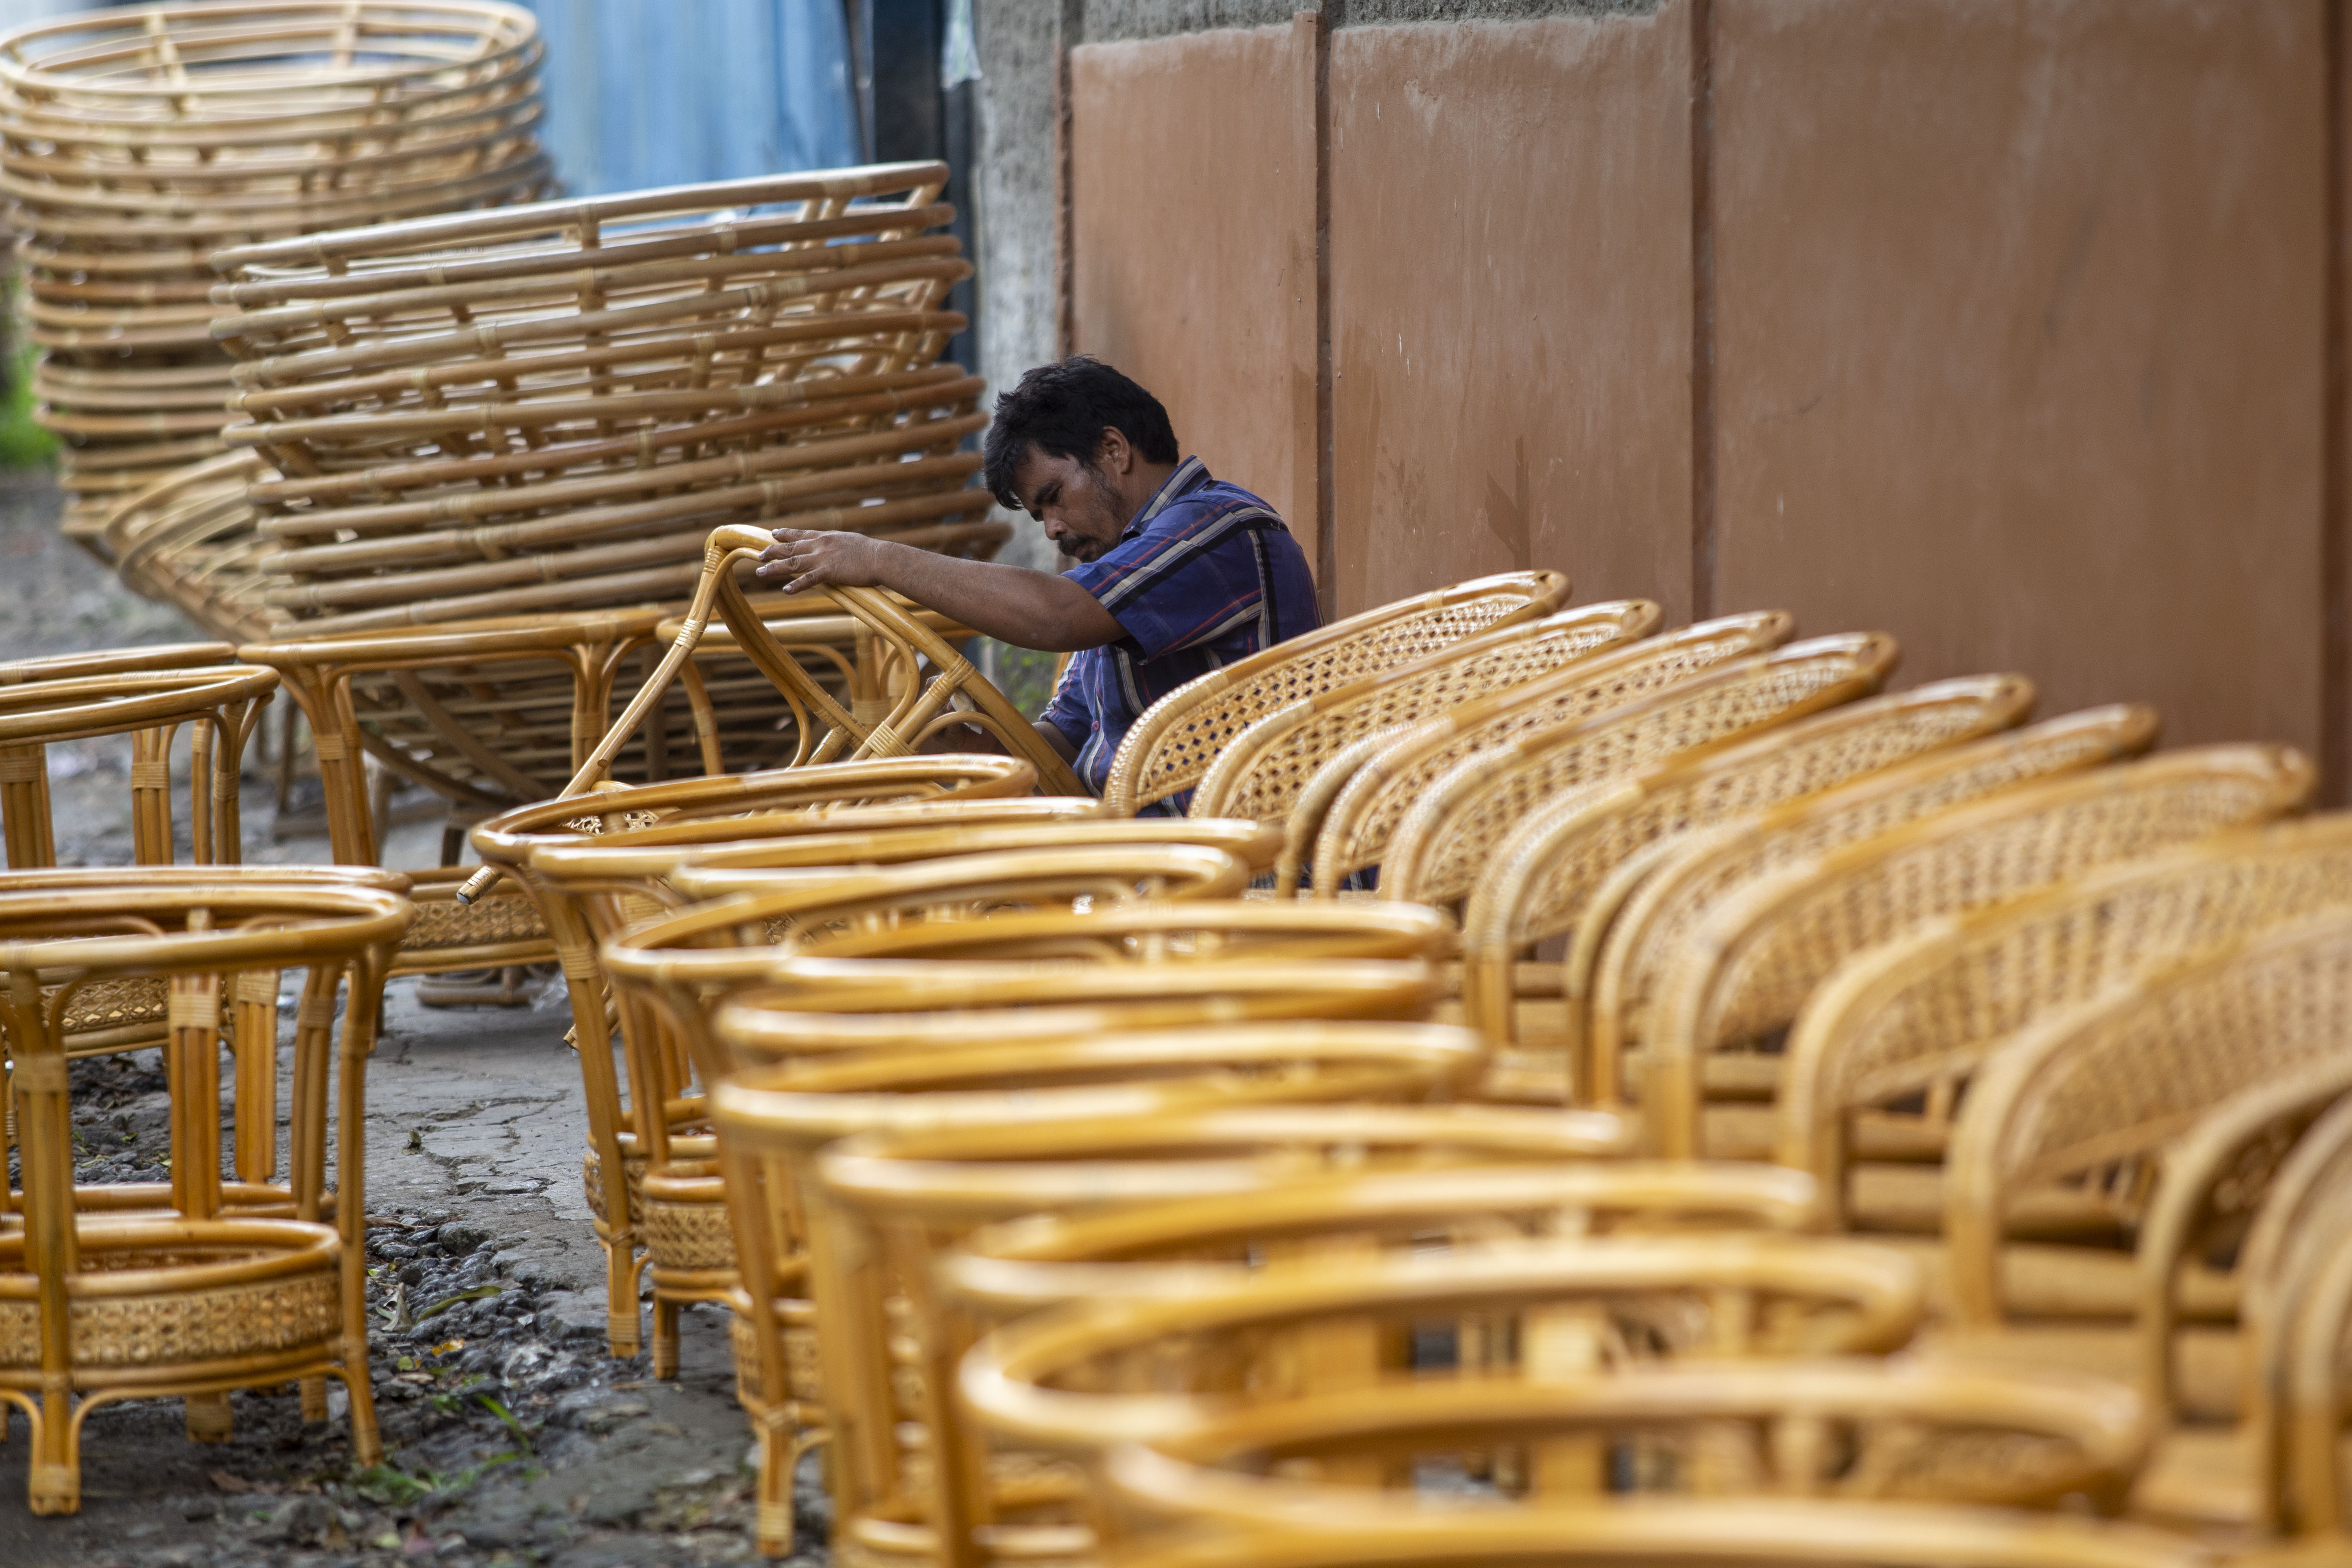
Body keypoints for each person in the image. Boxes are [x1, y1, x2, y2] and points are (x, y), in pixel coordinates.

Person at [756, 357, 1320, 808]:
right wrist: (953, 735)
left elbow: (1057, 616)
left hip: (1249, 878)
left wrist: (878, 558)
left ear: (1114, 450)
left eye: (1053, 497)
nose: (1052, 528)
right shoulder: (1116, 578)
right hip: (1152, 879)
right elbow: (1059, 747)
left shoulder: (1216, 528)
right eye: (1038, 514)